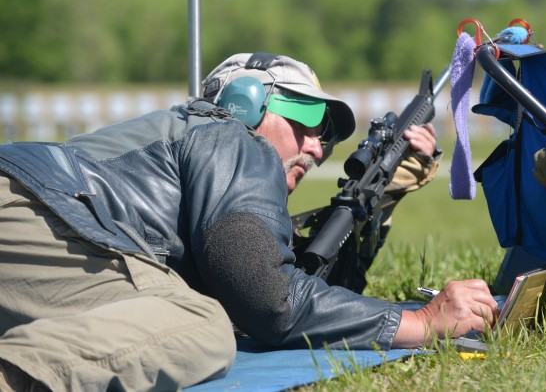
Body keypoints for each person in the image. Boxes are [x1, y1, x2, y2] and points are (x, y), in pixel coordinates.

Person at [0, 52, 498, 391]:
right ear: (246, 102)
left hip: (36, 221)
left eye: (326, 138)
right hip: (30, 213)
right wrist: (423, 323)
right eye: (305, 120)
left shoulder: (184, 145)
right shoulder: (232, 136)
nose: (316, 148)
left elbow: (306, 290)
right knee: (200, 324)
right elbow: (269, 298)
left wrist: (378, 200)